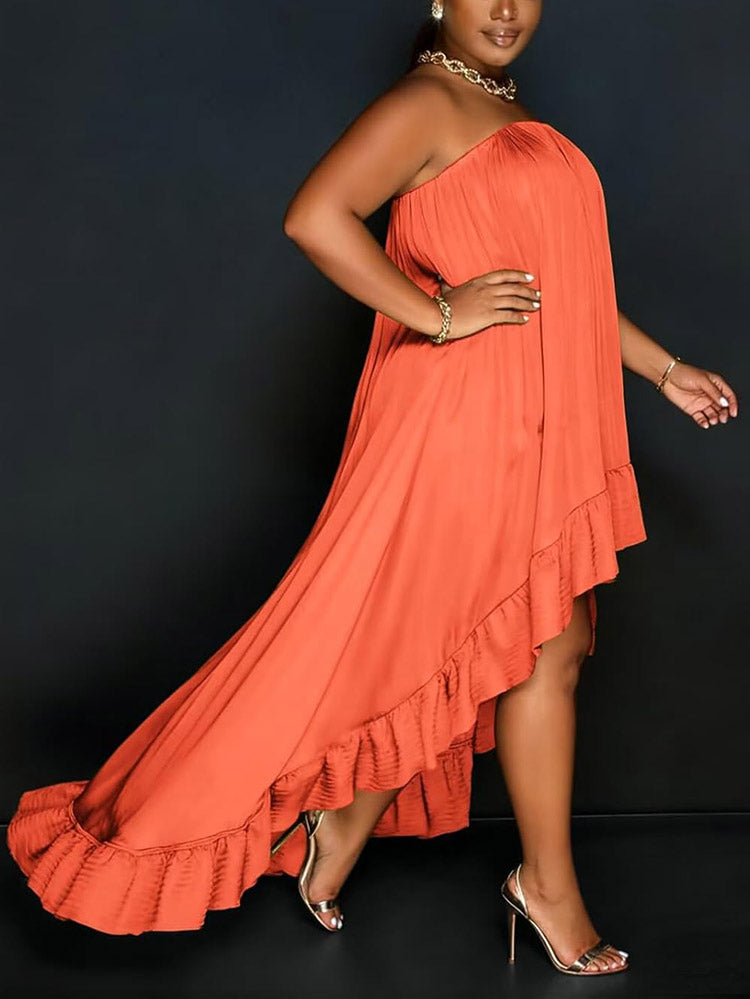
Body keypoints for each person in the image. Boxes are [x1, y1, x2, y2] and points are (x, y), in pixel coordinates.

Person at [6, 0, 737, 977]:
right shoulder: (427, 102)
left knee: (523, 640)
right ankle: (536, 884)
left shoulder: (514, 115)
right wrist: (438, 314)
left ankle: (355, 827)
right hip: (460, 424)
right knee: (500, 638)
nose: (507, 9)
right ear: (439, 0)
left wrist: (663, 369)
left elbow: (562, 290)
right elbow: (314, 218)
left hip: (536, 422)